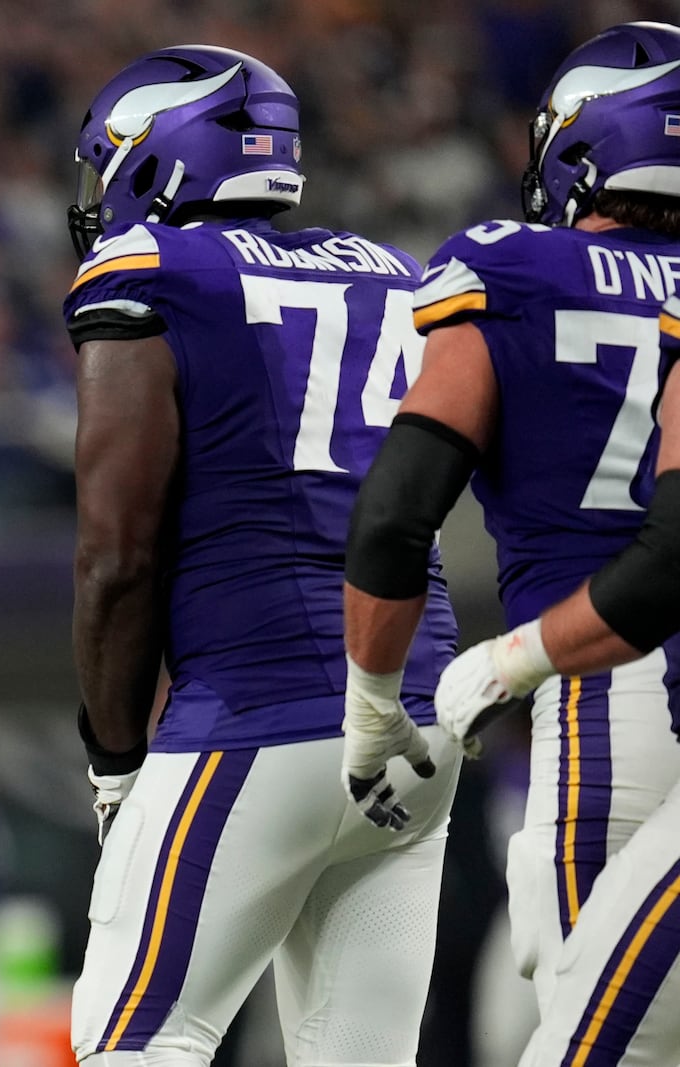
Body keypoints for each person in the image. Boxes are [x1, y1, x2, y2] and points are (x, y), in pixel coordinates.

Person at [65, 46, 460, 1065]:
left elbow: (117, 555)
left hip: (259, 708)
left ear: (151, 161)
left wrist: (113, 762)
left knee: (135, 1041)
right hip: (414, 708)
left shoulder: (152, 270)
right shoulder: (389, 271)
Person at [341, 20, 680, 1037]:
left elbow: (396, 516)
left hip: (605, 696)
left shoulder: (513, 269)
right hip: (609, 669)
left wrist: (374, 705)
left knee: (590, 1033)